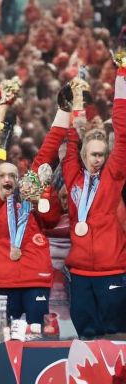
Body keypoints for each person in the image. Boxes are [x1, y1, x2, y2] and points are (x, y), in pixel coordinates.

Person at [0, 98, 66, 326]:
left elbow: (47, 151)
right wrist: (1, 108)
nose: (7, 179)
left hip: (36, 279)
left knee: (38, 338)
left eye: (13, 175)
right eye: (2, 175)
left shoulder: (31, 198)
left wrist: (64, 112)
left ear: (20, 180)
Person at [61, 68, 126, 338]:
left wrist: (121, 82)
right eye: (93, 154)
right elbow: (71, 137)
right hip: (80, 274)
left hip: (112, 269)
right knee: (86, 338)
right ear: (84, 154)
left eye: (102, 155)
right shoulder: (73, 176)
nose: (98, 159)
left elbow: (122, 136)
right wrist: (77, 103)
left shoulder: (112, 177)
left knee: (116, 336)